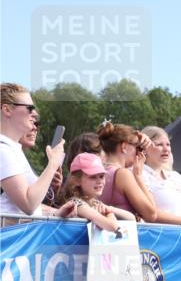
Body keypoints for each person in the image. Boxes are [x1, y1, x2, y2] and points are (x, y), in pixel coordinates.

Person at [1, 82, 64, 223]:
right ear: (7, 110)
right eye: (30, 108)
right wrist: (53, 163)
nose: (34, 114)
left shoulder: (11, 149)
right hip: (10, 240)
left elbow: (26, 207)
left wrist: (57, 212)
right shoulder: (3, 150)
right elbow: (28, 204)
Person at [57, 152, 136, 233]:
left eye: (102, 176)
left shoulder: (94, 203)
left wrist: (109, 209)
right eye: (93, 177)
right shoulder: (77, 204)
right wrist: (109, 213)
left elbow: (131, 218)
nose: (99, 181)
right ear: (77, 180)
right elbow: (112, 226)